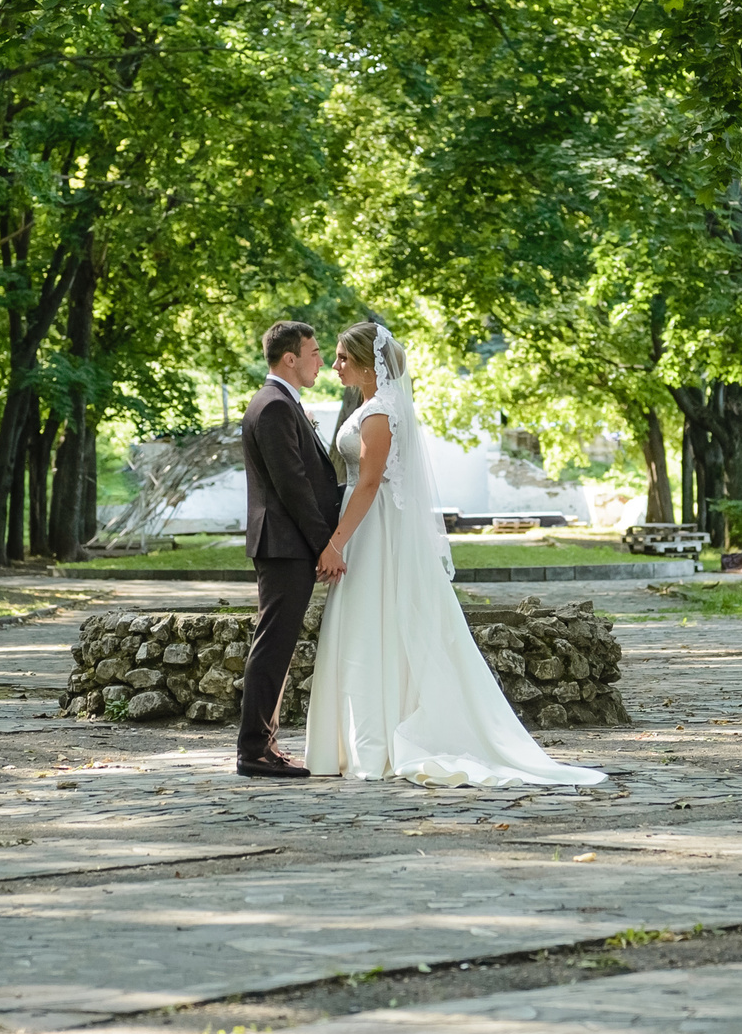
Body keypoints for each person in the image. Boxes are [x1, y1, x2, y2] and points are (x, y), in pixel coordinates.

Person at [305, 319, 604, 788]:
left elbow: (368, 483)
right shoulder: (374, 407)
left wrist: (335, 542)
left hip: (374, 530)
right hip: (368, 524)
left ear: (367, 364)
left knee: (371, 620)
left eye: (343, 357)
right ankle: (362, 738)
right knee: (369, 624)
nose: (335, 365)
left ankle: (376, 744)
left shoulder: (379, 413)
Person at [234, 320, 339, 777]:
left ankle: (266, 744)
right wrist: (325, 545)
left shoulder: (281, 402)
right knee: (273, 644)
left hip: (286, 543)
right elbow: (292, 485)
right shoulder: (275, 405)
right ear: (290, 358)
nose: (321, 361)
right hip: (284, 544)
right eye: (314, 353)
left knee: (277, 644)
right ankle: (254, 750)